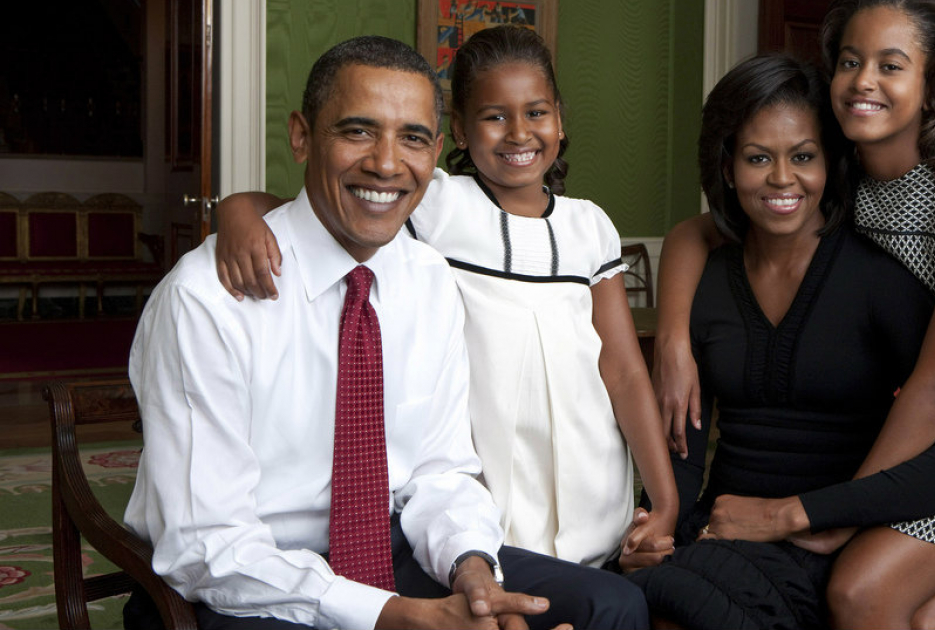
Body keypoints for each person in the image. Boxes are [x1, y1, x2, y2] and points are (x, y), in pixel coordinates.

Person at [123, 35, 647, 630]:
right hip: (246, 577)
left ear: (437, 149)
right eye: (357, 131)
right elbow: (205, 546)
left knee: (613, 605)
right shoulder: (206, 298)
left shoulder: (427, 278)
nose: (387, 163)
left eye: (413, 138)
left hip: (388, 547)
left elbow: (442, 472)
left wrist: (472, 569)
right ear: (300, 136)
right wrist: (395, 617)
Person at [653, 0, 935, 627]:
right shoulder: (840, 180)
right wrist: (674, 337)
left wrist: (832, 510)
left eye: (891, 65)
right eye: (849, 61)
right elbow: (695, 233)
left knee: (858, 589)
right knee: (933, 614)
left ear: (934, 85)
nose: (864, 79)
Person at [624, 53, 935, 630]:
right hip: (724, 530)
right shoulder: (706, 278)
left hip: (831, 542)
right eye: (756, 158)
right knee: (631, 596)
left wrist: (806, 516)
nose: (781, 179)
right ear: (727, 168)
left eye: (803, 156)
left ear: (830, 163)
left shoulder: (881, 276)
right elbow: (684, 447)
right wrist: (657, 526)